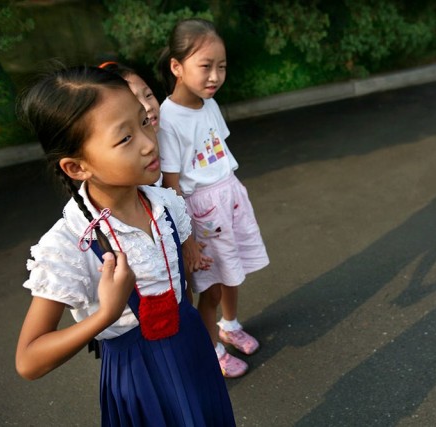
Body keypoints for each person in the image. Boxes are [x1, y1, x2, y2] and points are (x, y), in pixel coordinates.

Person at [15, 65, 236, 426]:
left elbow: (180, 292)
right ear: (76, 167)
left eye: (144, 122)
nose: (150, 142)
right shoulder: (72, 243)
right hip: (138, 380)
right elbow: (28, 361)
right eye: (125, 138)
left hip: (192, 351)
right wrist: (105, 314)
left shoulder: (166, 205)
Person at [156, 18, 269, 378]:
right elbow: (172, 184)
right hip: (202, 213)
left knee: (234, 272)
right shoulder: (168, 119)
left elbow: (217, 151)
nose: (215, 76)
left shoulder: (209, 105)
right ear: (177, 66)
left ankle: (230, 325)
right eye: (205, 66)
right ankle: (213, 348)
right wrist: (188, 240)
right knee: (211, 286)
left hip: (230, 197)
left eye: (221, 67)